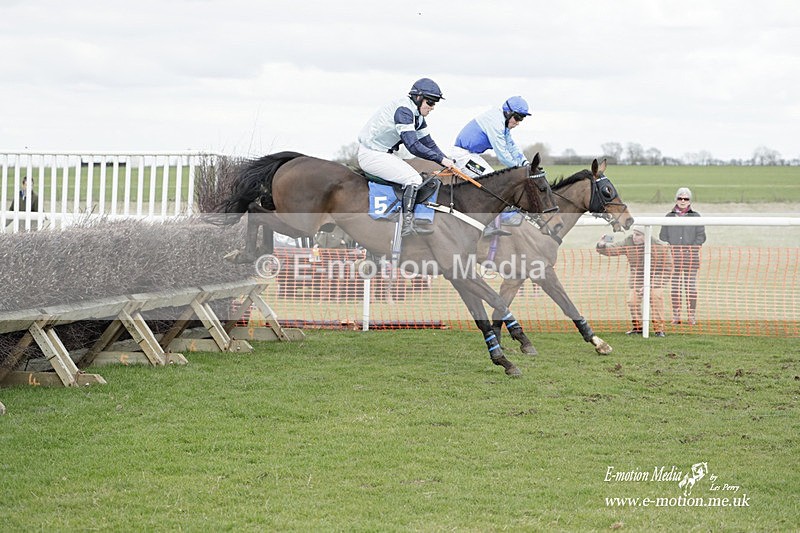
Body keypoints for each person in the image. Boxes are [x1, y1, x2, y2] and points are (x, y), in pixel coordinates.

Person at [357, 78, 456, 237]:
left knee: (420, 179)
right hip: (371, 154)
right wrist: (440, 160)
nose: (432, 107)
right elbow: (413, 146)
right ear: (418, 98)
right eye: (430, 102)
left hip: (383, 153)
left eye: (435, 103)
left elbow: (429, 143)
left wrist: (448, 161)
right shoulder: (404, 111)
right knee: (414, 180)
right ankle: (407, 224)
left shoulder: (418, 116)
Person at [452, 96, 532, 237]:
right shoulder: (495, 122)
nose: (518, 123)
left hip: (472, 154)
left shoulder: (502, 122)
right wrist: (521, 170)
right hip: (463, 155)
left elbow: (511, 146)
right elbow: (502, 154)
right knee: (491, 182)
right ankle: (487, 224)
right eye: (518, 118)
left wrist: (526, 164)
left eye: (522, 119)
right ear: (508, 113)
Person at [596, 225, 673, 337]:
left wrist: (650, 285)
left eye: (638, 235)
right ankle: (637, 327)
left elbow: (667, 269)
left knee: (656, 298)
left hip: (656, 278)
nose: (634, 237)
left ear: (646, 236)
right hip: (637, 278)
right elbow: (613, 249)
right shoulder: (628, 241)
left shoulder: (661, 246)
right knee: (632, 301)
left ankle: (659, 329)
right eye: (634, 234)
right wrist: (601, 245)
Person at [659, 187, 706, 325]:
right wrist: (673, 246)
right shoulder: (669, 216)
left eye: (686, 198)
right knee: (675, 287)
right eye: (680, 198)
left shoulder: (696, 216)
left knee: (690, 287)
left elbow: (701, 237)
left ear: (690, 200)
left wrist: (688, 249)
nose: (683, 201)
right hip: (674, 258)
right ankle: (676, 316)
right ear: (676, 200)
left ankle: (691, 316)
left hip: (691, 258)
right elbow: (663, 235)